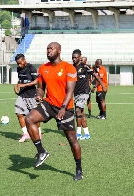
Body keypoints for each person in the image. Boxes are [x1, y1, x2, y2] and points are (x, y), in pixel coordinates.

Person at [25, 42, 83, 180]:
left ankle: (79, 169)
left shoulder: (69, 68)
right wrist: (39, 95)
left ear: (59, 51)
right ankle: (41, 152)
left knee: (72, 140)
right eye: (47, 49)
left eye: (52, 49)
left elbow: (70, 91)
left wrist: (63, 107)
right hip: (49, 104)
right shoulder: (43, 68)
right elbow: (40, 87)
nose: (49, 51)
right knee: (29, 119)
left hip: (65, 107)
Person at [14, 54, 41, 142]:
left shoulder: (31, 68)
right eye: (17, 63)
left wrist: (25, 85)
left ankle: (39, 133)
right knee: (19, 113)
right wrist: (17, 85)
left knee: (34, 116)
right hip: (22, 94)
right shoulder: (19, 69)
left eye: (20, 63)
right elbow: (20, 79)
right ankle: (25, 133)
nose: (19, 65)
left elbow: (37, 81)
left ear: (24, 60)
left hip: (31, 95)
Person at [72, 51, 92, 140]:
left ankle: (78, 133)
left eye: (75, 57)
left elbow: (94, 74)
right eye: (73, 57)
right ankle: (87, 134)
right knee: (82, 114)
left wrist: (100, 85)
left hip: (84, 92)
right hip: (76, 93)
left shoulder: (84, 66)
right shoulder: (72, 68)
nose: (74, 59)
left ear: (80, 57)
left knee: (77, 111)